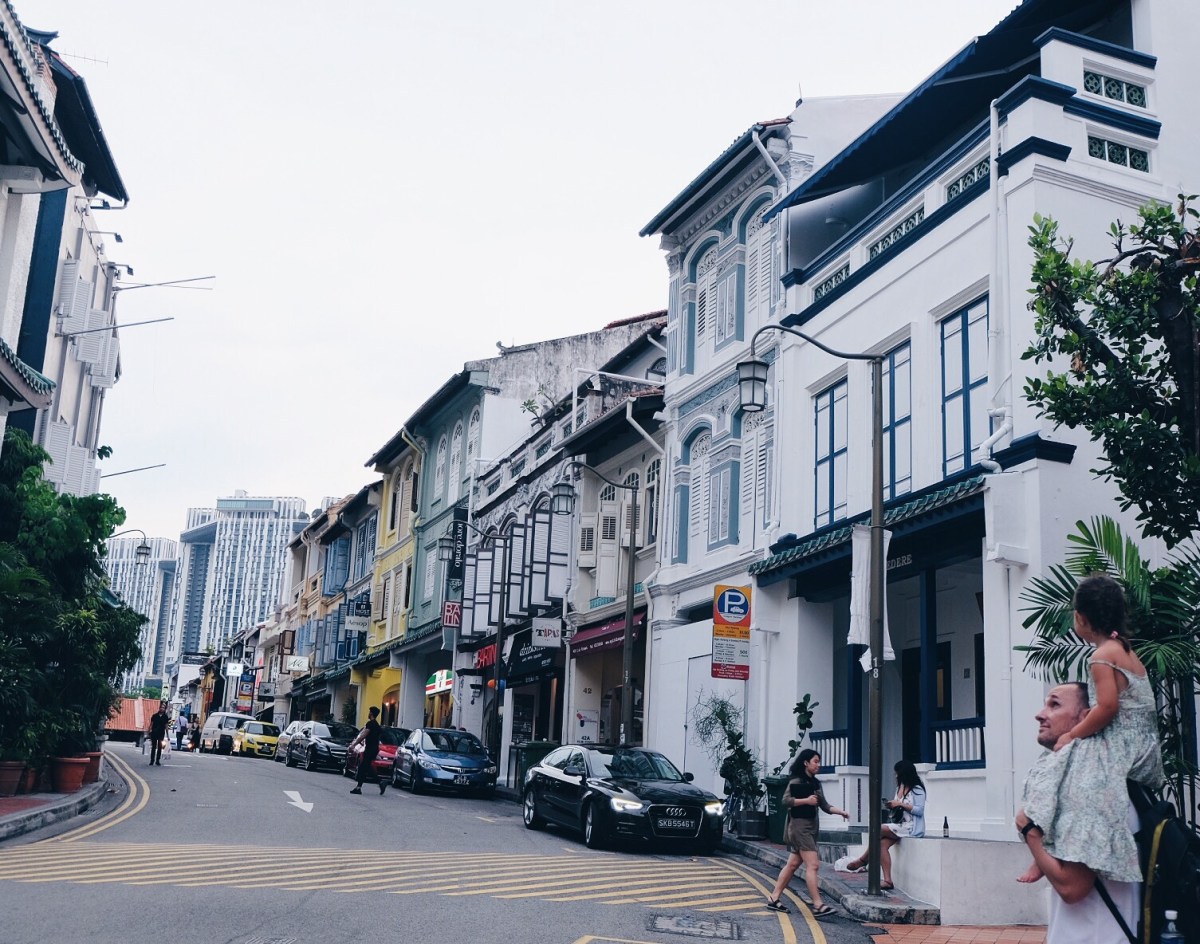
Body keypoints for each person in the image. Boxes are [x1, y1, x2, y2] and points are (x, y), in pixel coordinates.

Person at [1017, 574, 1163, 885]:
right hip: (1141, 743)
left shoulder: (1102, 656)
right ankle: (1045, 849)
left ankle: (1040, 841)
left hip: (1124, 744)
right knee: (1063, 763)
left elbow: (1107, 708)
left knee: (1055, 764)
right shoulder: (1123, 648)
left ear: (1081, 617)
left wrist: (1072, 734)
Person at [1015, 682, 1140, 942]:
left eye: (1055, 704)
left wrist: (1028, 829)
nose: (1040, 714)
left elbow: (1072, 887)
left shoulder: (1092, 783)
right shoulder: (1093, 773)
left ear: (1086, 717)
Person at [765, 749, 849, 918]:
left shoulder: (816, 783)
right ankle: (818, 905)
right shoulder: (796, 781)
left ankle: (774, 898)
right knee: (813, 865)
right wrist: (806, 801)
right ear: (806, 763)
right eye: (815, 761)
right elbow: (785, 801)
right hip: (799, 828)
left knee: (792, 865)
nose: (818, 765)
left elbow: (824, 805)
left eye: (819, 762)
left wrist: (841, 812)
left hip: (811, 829)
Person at [838, 759, 926, 890]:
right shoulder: (899, 788)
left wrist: (900, 804)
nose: (896, 776)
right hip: (899, 825)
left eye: (898, 773)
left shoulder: (917, 789)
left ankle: (863, 860)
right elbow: (899, 808)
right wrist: (892, 805)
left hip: (911, 827)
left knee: (877, 829)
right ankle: (888, 881)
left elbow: (919, 810)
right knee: (881, 845)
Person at [348, 706, 386, 796]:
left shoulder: (370, 724)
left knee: (364, 767)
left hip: (370, 749)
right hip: (374, 749)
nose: (368, 714)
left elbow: (363, 735)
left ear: (371, 713)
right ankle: (360, 787)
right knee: (365, 767)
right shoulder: (377, 725)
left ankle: (380, 782)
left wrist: (354, 744)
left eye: (369, 712)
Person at [147, 702, 169, 766]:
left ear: (164, 709)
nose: (162, 709)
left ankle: (157, 760)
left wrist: (168, 735)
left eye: (163, 708)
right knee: (153, 747)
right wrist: (149, 731)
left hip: (161, 733)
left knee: (159, 747)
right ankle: (152, 760)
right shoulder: (154, 716)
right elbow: (151, 724)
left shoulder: (165, 717)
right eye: (161, 707)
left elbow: (166, 726)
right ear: (159, 708)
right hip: (154, 732)